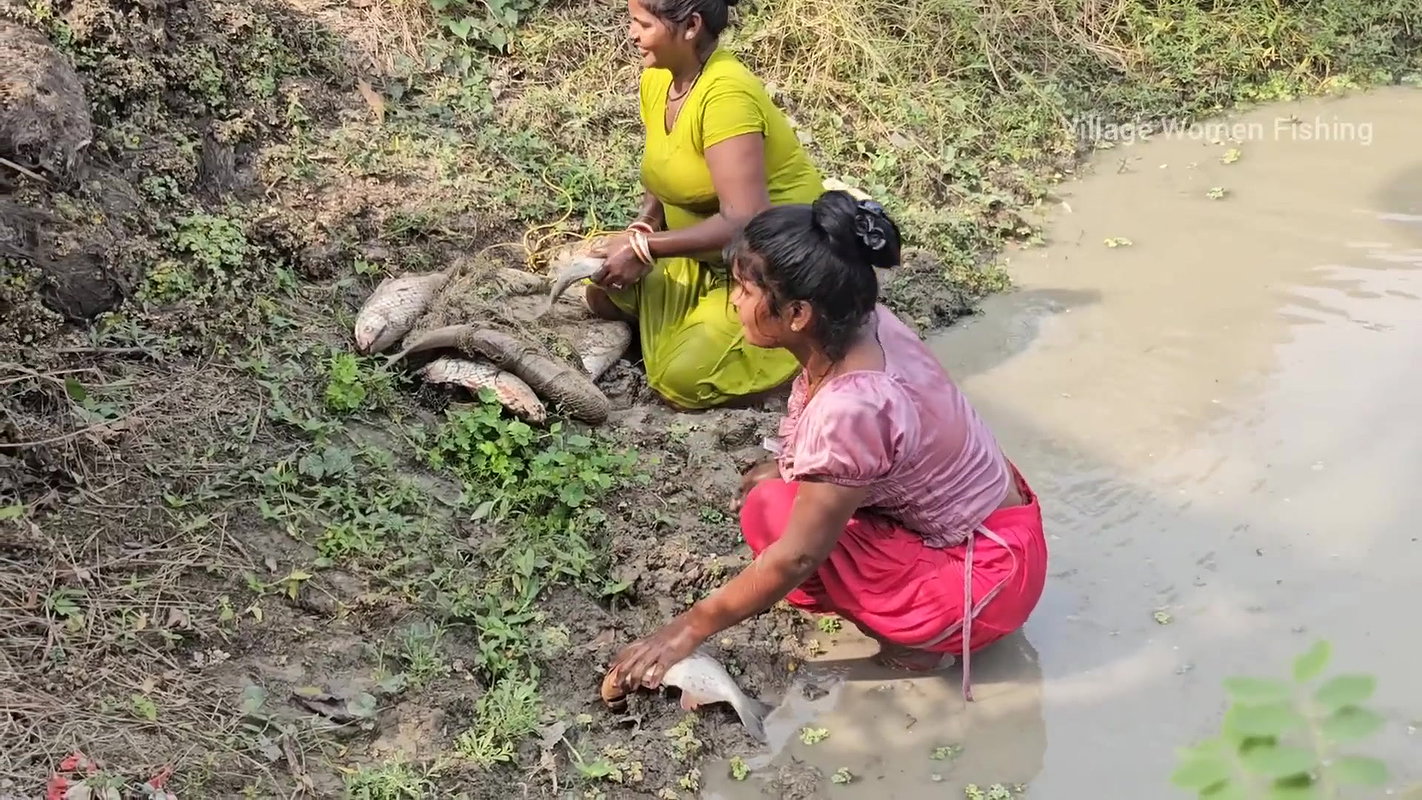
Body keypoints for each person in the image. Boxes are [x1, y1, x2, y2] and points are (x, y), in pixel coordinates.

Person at [606, 191, 1049, 701]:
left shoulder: (851, 407)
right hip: (1006, 535)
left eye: (744, 290)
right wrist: (792, 463)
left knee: (770, 513)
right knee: (781, 492)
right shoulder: (869, 321)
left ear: (797, 314)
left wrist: (686, 629)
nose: (734, 301)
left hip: (982, 587)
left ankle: (918, 648)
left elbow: (796, 558)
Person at [584, 0, 824, 410]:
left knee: (682, 382)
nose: (631, 35)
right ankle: (700, 327)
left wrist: (647, 249)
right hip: (705, 256)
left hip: (766, 271)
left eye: (642, 24)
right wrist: (643, 226)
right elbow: (664, 169)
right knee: (603, 292)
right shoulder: (659, 79)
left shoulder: (725, 94)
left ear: (691, 26)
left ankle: (802, 355)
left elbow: (746, 222)